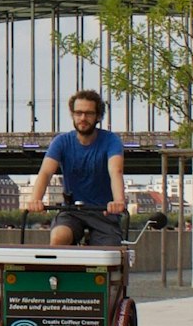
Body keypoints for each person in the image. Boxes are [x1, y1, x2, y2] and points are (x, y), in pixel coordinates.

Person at [25, 90, 128, 245]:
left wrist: (119, 201)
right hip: (72, 211)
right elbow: (46, 172)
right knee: (59, 237)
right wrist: (35, 199)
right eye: (78, 113)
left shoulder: (111, 141)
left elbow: (116, 171)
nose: (83, 118)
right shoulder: (61, 142)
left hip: (103, 212)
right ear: (72, 115)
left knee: (108, 255)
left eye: (89, 113)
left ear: (98, 116)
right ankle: (59, 269)